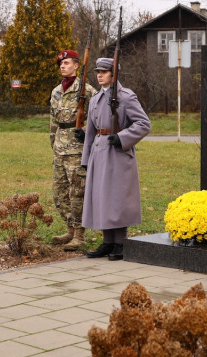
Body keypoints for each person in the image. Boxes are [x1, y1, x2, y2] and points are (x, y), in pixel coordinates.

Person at [81, 57, 151, 260]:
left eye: (104, 71)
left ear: (114, 74)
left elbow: (144, 124)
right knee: (102, 197)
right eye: (98, 71)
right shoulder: (95, 98)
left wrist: (121, 138)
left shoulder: (126, 97)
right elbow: (90, 133)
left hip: (118, 153)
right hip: (99, 152)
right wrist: (86, 159)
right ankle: (108, 242)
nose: (99, 75)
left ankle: (120, 243)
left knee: (117, 198)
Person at [49, 49, 96, 250]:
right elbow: (53, 120)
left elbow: (98, 117)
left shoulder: (86, 90)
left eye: (67, 63)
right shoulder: (56, 91)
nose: (62, 66)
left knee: (78, 193)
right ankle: (69, 229)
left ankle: (79, 234)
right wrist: (53, 142)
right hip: (60, 148)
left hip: (77, 150)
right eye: (61, 63)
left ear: (77, 66)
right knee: (59, 192)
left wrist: (85, 132)